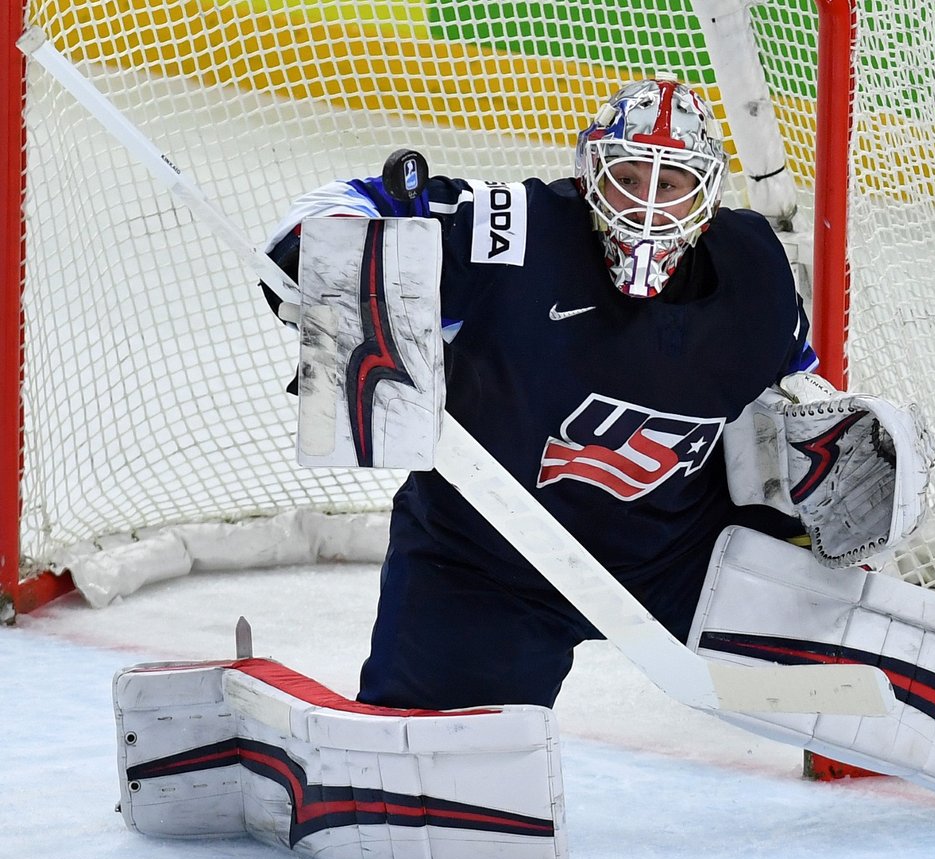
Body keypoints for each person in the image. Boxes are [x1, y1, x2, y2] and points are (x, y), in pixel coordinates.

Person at [262, 76, 824, 712]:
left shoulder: (754, 269)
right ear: (590, 172)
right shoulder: (515, 230)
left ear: (707, 198)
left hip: (681, 556)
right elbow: (327, 214)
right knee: (438, 788)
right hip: (487, 563)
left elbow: (795, 395)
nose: (644, 205)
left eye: (669, 186)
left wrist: (831, 460)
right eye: (628, 176)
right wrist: (340, 260)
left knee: (860, 689)